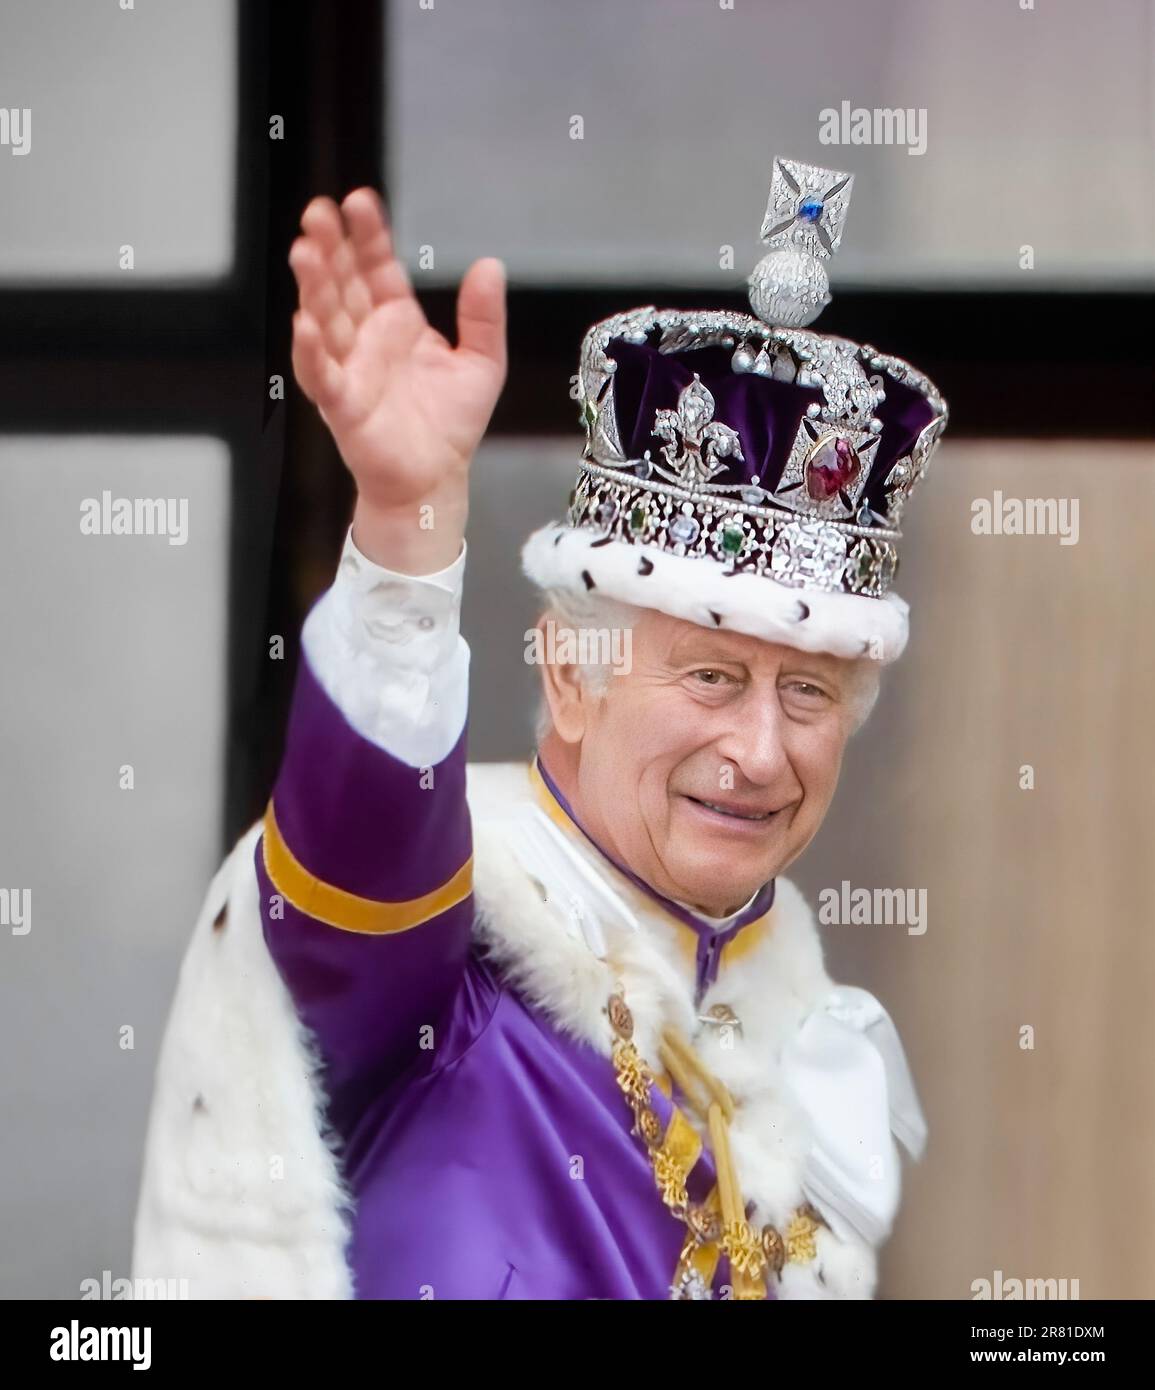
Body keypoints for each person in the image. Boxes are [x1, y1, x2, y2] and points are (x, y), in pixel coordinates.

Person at [132, 158, 946, 1300]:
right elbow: (356, 859)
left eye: (807, 693)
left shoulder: (801, 1024)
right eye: (712, 675)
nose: (762, 752)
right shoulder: (448, 954)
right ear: (572, 673)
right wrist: (409, 536)